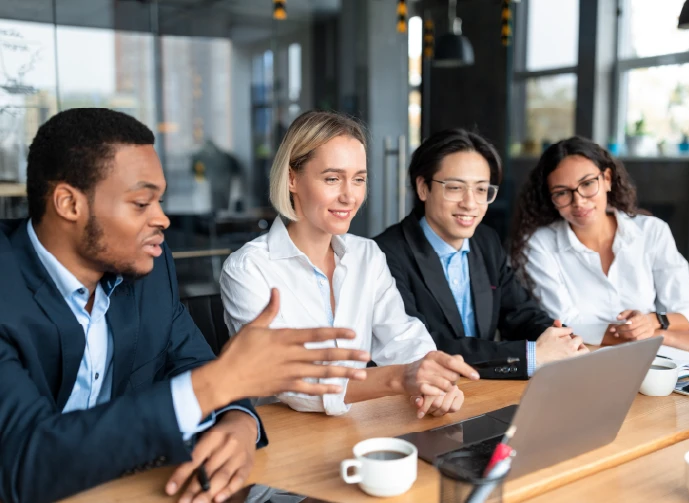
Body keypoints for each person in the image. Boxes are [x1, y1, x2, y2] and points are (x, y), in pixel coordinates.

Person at [0, 108, 371, 503]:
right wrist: (220, 384)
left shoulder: (150, 269)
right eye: (141, 203)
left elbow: (198, 366)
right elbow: (26, 461)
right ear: (68, 204)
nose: (162, 219)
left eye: (160, 200)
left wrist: (239, 423)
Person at [221, 111, 480, 420]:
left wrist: (434, 382)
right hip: (281, 439)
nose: (349, 196)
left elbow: (402, 337)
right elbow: (292, 383)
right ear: (292, 178)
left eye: (359, 179)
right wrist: (400, 378)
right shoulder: (247, 269)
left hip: (352, 428)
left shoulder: (367, 255)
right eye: (332, 178)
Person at [374, 129, 588, 380]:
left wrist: (562, 340)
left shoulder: (485, 241)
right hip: (423, 396)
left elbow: (520, 313)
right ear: (423, 188)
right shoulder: (385, 255)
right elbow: (425, 347)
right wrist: (532, 355)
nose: (470, 203)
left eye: (481, 190)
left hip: (483, 391)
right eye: (455, 188)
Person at [509, 136, 689, 355]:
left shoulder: (651, 231)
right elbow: (566, 326)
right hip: (583, 362)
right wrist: (666, 336)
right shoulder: (539, 245)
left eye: (588, 184)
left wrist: (652, 321)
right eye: (562, 193)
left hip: (657, 360)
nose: (579, 201)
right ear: (550, 198)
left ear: (607, 179)